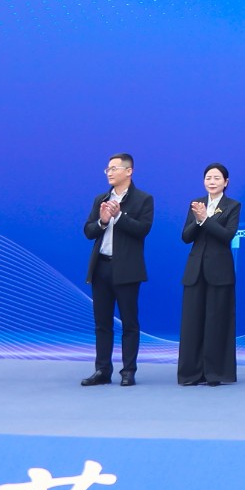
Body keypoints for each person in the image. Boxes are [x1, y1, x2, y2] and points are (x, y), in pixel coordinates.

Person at [81, 153, 153, 387]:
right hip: (101, 267)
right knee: (102, 323)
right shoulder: (101, 199)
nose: (109, 173)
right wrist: (102, 221)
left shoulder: (143, 199)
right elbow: (88, 231)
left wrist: (118, 216)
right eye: (107, 169)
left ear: (128, 171)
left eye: (114, 168)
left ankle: (128, 371)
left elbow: (142, 230)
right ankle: (102, 370)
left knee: (129, 323)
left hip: (127, 269)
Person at [178, 162, 240, 386]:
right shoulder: (196, 204)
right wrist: (198, 220)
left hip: (219, 271)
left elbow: (227, 236)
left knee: (216, 322)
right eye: (208, 178)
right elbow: (186, 237)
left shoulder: (233, 205)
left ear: (226, 182)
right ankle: (191, 373)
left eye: (216, 178)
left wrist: (206, 220)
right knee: (192, 323)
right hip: (195, 271)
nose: (212, 182)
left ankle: (215, 373)